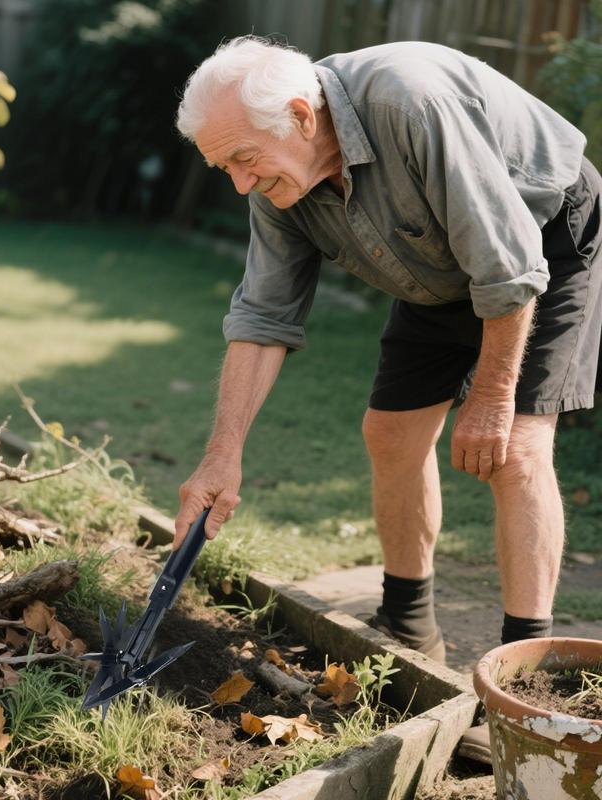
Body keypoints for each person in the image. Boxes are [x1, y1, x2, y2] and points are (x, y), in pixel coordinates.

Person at [171, 36, 602, 762]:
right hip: (436, 267)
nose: (239, 184)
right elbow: (262, 318)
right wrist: (223, 456)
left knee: (518, 450)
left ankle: (526, 683)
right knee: (391, 435)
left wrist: (493, 397)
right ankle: (410, 627)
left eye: (243, 159)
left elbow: (507, 264)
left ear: (303, 117)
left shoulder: (410, 102)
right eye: (224, 169)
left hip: (543, 243)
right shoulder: (280, 179)